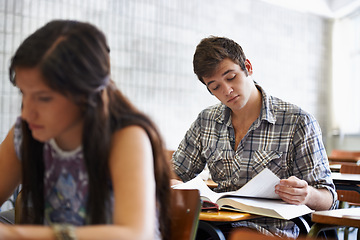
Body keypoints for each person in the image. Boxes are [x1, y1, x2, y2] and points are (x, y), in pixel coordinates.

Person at [0, 20, 171, 240]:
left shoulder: (125, 137)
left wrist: (16, 234)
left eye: (43, 98)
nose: (27, 113)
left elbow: (135, 234)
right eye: (23, 93)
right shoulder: (25, 134)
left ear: (86, 95)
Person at [171, 36, 337, 238]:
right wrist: (173, 185)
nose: (227, 91)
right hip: (213, 230)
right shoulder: (206, 121)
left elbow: (329, 200)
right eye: (215, 87)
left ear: (247, 67)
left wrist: (307, 194)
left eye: (231, 77)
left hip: (269, 233)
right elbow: (176, 173)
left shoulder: (297, 121)